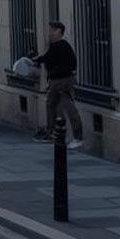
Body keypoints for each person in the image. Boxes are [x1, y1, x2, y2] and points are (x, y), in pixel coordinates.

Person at [29, 21, 83, 149]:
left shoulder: (61, 45)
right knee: (55, 106)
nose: (50, 33)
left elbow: (48, 58)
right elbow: (47, 57)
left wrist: (36, 60)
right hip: (59, 80)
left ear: (59, 31)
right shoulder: (57, 46)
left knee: (66, 106)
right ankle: (55, 132)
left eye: (52, 30)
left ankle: (76, 136)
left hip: (61, 81)